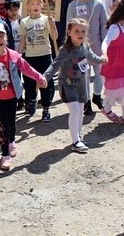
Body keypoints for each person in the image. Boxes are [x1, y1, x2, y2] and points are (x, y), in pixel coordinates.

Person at [0, 23, 46, 170]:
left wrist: (39, 77)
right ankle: (5, 155)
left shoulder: (14, 56)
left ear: (6, 37)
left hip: (12, 96)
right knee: (3, 126)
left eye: (1, 36)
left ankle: (12, 141)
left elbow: (26, 68)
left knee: (12, 124)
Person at [42, 18, 105, 152]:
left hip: (82, 85)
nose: (80, 33)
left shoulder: (85, 46)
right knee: (75, 111)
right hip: (68, 86)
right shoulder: (65, 50)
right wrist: (45, 77)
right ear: (69, 32)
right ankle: (75, 141)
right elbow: (55, 65)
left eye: (83, 31)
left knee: (80, 111)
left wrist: (102, 60)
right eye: (76, 31)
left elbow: (93, 57)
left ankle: (78, 136)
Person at [66, 0, 108, 114]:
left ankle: (97, 95)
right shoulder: (72, 6)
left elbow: (104, 25)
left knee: (100, 73)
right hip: (80, 47)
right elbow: (69, 27)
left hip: (97, 44)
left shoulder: (99, 4)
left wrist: (105, 45)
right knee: (83, 75)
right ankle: (87, 101)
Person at [18, 0, 58, 121]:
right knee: (29, 84)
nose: (35, 6)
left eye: (38, 3)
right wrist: (18, 57)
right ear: (28, 6)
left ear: (42, 5)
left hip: (45, 56)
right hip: (30, 58)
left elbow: (54, 37)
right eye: (32, 4)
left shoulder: (47, 19)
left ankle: (46, 109)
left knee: (46, 83)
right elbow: (22, 42)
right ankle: (32, 99)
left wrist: (53, 25)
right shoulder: (24, 22)